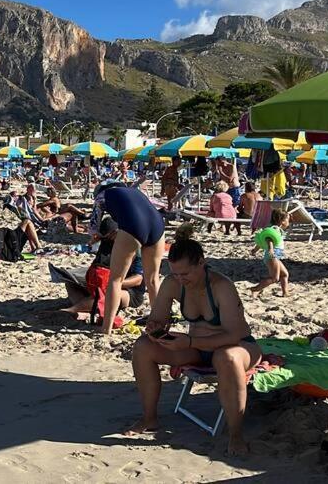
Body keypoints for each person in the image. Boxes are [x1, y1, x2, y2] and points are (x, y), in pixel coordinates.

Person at [125, 223, 261, 455]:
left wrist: (189, 342)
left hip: (238, 346)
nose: (181, 279)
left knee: (227, 357)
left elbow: (235, 334)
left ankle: (235, 435)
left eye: (185, 273)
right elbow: (157, 317)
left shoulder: (221, 286)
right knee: (143, 347)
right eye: (176, 273)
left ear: (201, 263)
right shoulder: (173, 283)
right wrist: (156, 328)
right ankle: (149, 419)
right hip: (196, 348)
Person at [97, 185, 166, 328]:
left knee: (115, 280)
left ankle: (106, 329)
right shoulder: (135, 191)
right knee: (153, 280)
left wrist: (97, 236)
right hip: (157, 224)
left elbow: (93, 226)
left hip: (134, 226)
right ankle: (161, 323)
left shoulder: (101, 196)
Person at [63, 217, 145, 314]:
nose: (110, 239)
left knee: (110, 294)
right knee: (70, 281)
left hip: (130, 291)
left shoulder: (134, 247)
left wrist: (114, 283)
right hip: (106, 282)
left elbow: (138, 279)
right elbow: (98, 267)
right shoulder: (107, 243)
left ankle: (75, 309)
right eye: (106, 237)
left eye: (112, 236)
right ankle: (84, 307)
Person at [250, 208, 290, 296]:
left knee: (284, 274)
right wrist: (271, 249)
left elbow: (261, 242)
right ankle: (255, 289)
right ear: (282, 221)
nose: (288, 222)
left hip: (275, 255)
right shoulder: (275, 229)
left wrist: (255, 250)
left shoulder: (276, 229)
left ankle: (285, 292)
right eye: (288, 220)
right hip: (273, 255)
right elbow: (268, 239)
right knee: (275, 278)